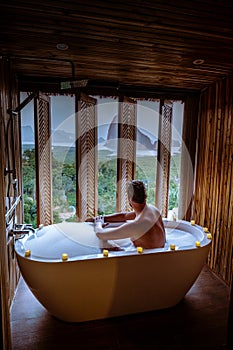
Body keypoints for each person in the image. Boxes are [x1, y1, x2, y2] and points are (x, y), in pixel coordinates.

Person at [91, 180, 165, 249]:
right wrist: (102, 218)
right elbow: (124, 216)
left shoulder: (136, 225)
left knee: (104, 243)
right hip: (160, 253)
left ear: (129, 198)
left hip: (147, 259)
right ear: (145, 195)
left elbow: (100, 235)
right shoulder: (153, 210)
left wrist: (98, 223)